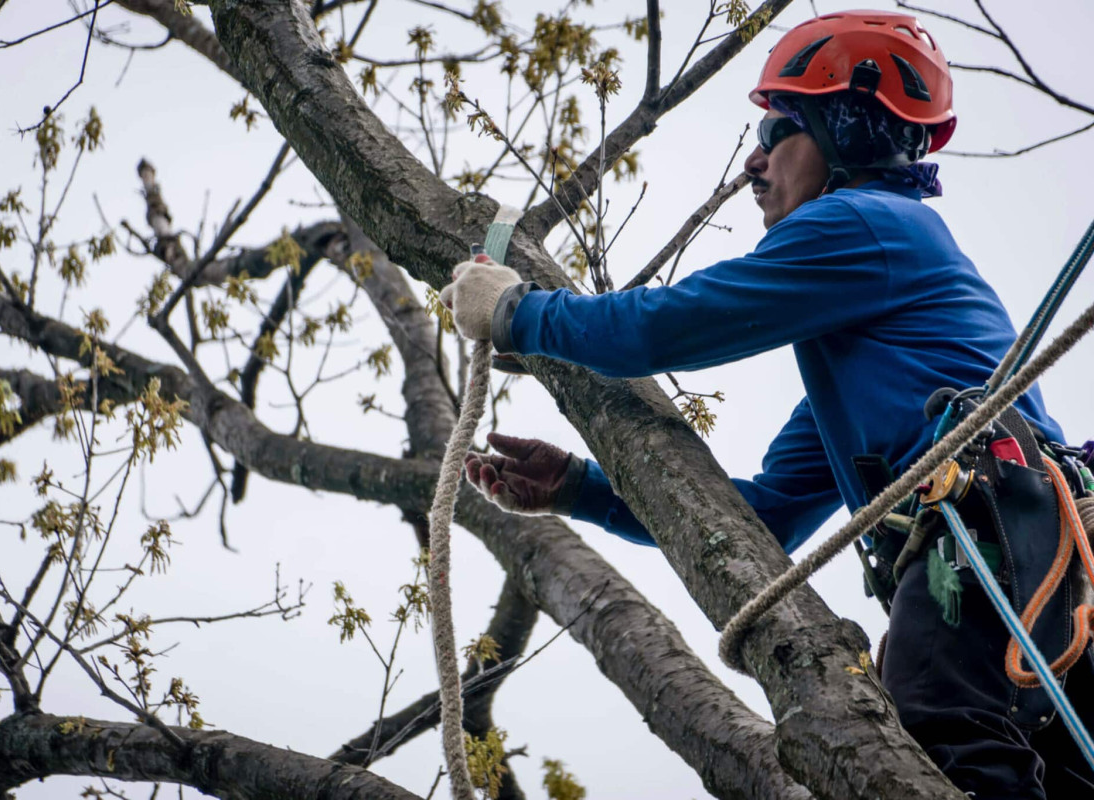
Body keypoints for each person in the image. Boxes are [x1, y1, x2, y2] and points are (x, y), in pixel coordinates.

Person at [439, 10, 1094, 799]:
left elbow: (670, 325)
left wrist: (519, 314)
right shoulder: (870, 374)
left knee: (948, 739)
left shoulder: (861, 223)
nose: (753, 162)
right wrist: (582, 490)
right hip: (1034, 558)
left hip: (994, 533)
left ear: (847, 134)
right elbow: (767, 518)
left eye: (778, 130)